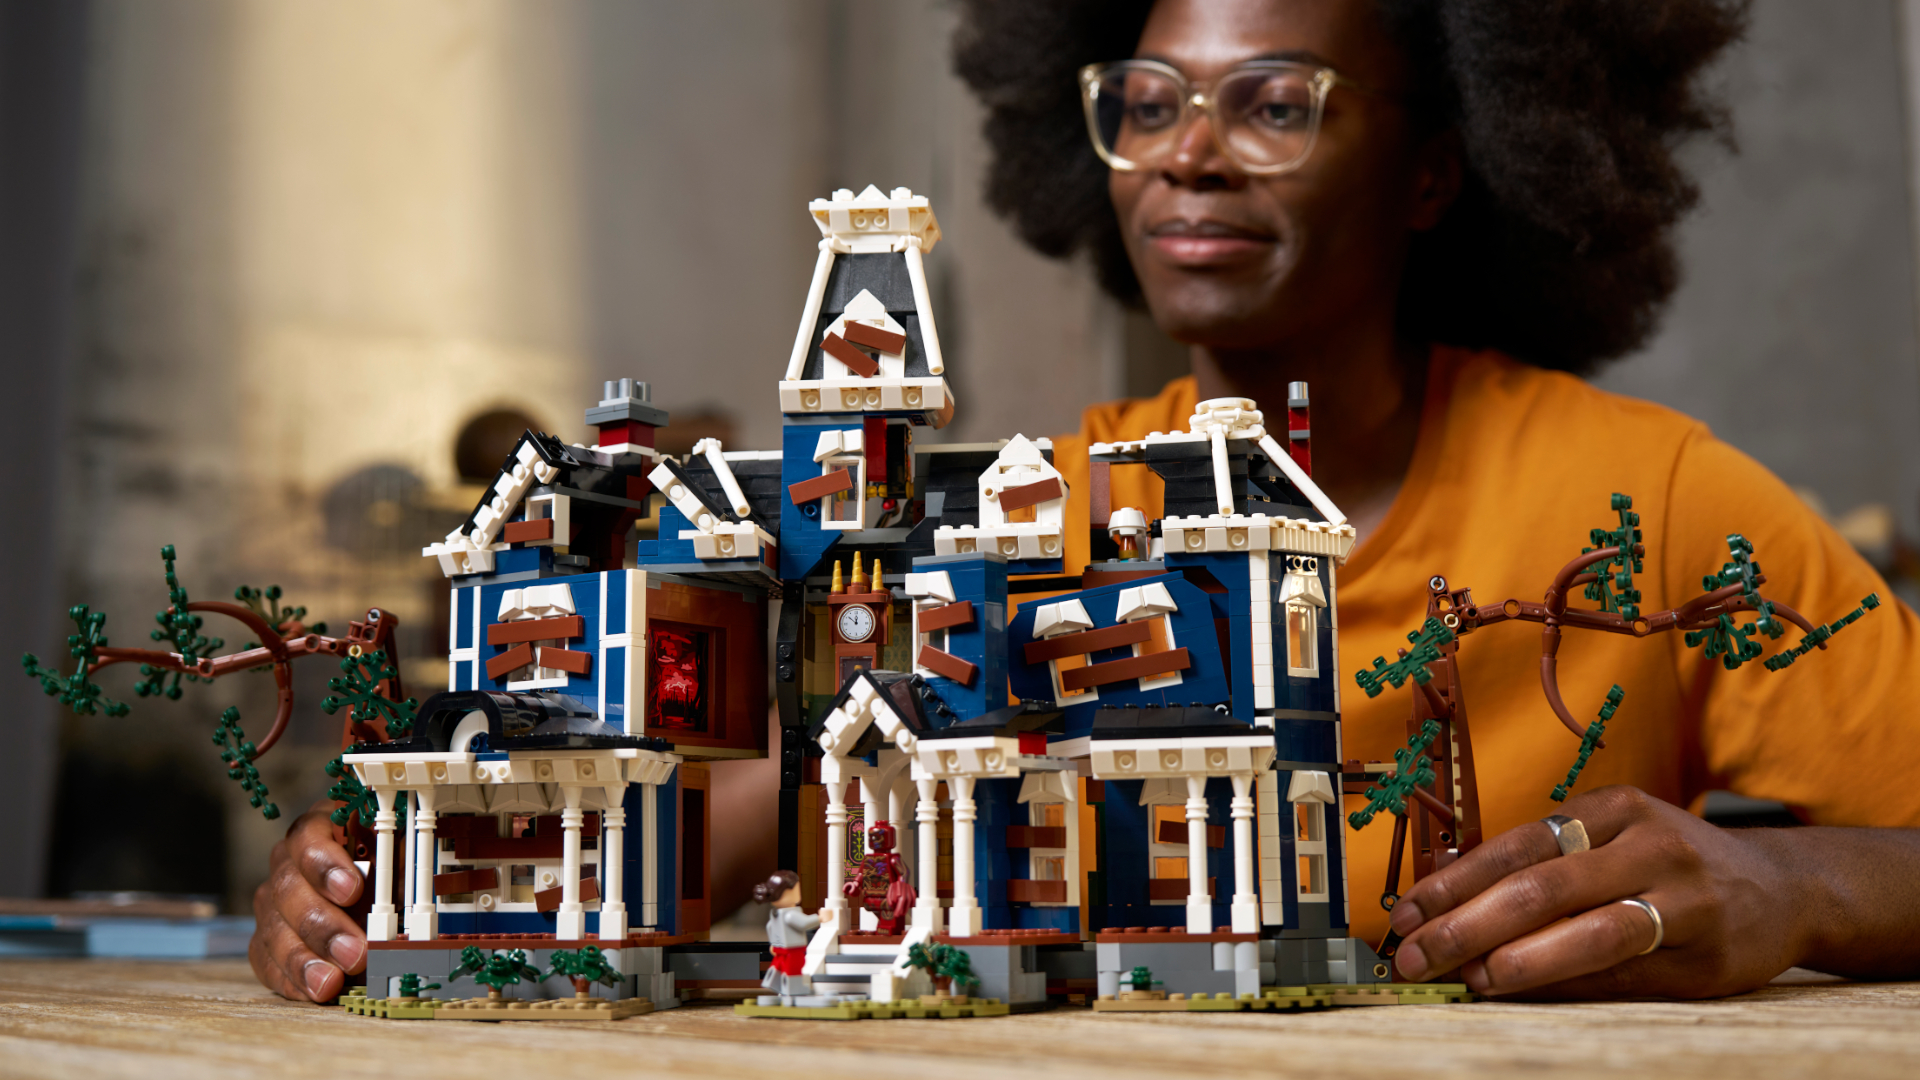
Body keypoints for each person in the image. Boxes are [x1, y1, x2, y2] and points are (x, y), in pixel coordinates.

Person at [953, 0, 1920, 998]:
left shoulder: (1650, 500)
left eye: (1276, 107)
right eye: (1148, 107)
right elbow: (806, 793)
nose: (1186, 156)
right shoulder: (1030, 521)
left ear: (1430, 174)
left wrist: (1793, 885)